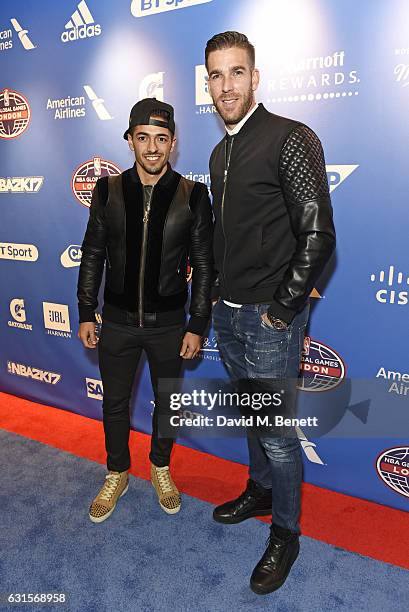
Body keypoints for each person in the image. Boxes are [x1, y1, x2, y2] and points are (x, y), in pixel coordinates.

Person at [205, 32, 336, 594]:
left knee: (279, 434)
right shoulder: (218, 152)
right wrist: (214, 299)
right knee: (253, 417)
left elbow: (318, 234)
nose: (226, 85)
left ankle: (286, 532)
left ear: (255, 78)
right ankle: (260, 491)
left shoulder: (290, 138)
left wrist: (282, 312)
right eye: (216, 75)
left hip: (268, 319)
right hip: (228, 316)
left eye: (237, 73)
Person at [77, 98, 213, 522]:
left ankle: (160, 467)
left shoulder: (194, 195)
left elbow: (206, 265)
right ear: (130, 140)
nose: (152, 147)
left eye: (161, 138)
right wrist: (85, 310)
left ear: (172, 144)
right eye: (143, 138)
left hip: (169, 325)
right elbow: (93, 254)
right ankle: (117, 471)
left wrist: (198, 323)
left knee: (168, 401)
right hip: (116, 322)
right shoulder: (108, 190)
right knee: (114, 403)